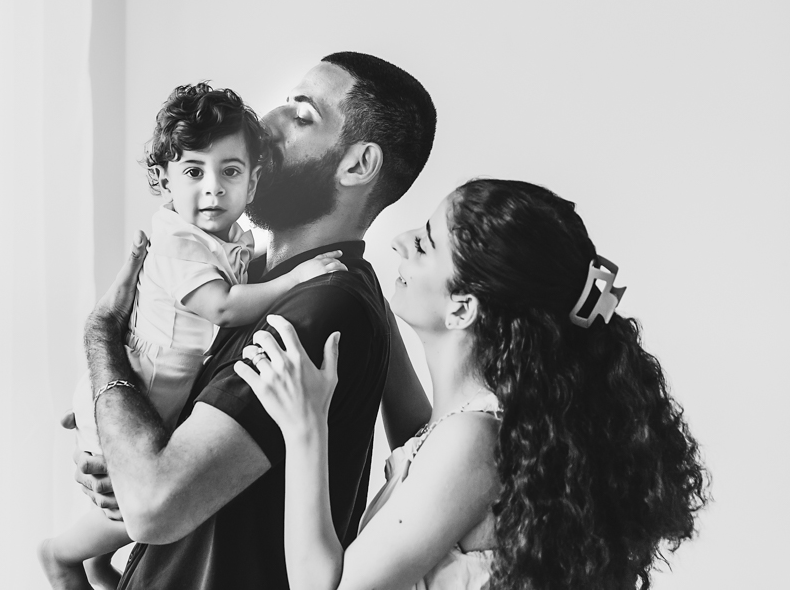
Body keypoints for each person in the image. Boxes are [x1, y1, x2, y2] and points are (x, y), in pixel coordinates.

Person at [237, 179, 710, 590]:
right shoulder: (467, 430)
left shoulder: (472, 441)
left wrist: (305, 425)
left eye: (424, 245)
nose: (401, 241)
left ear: (462, 308)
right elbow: (419, 442)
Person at [75, 52, 437, 589]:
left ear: (358, 165)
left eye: (303, 113)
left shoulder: (317, 310)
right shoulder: (255, 278)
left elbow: (154, 504)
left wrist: (101, 336)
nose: (266, 123)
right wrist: (122, 441)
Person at [39, 83, 346, 589]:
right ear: (164, 184)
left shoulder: (232, 239)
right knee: (132, 499)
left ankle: (94, 562)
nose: (213, 188)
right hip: (144, 382)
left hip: (167, 385)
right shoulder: (178, 242)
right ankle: (62, 555)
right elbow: (223, 307)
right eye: (193, 172)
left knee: (134, 499)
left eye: (230, 172)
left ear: (252, 182)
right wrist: (295, 280)